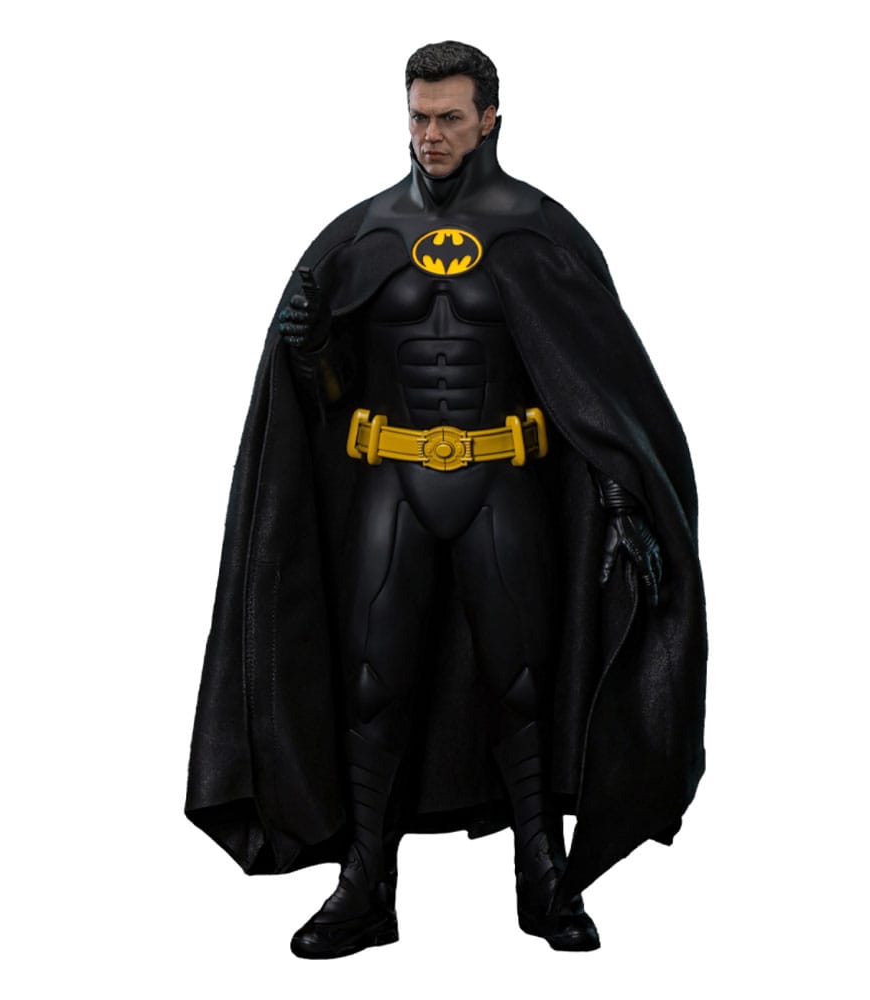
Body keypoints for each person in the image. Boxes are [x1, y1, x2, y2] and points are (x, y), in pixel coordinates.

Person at [186, 40, 707, 960]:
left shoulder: (539, 231)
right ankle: (365, 887)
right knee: (373, 684)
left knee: (522, 683)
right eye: (420, 117)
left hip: (502, 483)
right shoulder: (362, 234)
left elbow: (596, 387)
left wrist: (624, 500)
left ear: (491, 117)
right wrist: (310, 351)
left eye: (451, 118)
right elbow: (324, 400)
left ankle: (543, 878)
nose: (431, 135)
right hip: (390, 488)